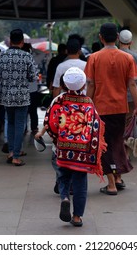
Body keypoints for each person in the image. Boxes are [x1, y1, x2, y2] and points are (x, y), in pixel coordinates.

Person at [43, 67, 107, 226]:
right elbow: (95, 125)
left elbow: (50, 123)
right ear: (83, 84)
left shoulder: (58, 100)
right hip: (82, 153)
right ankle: (77, 217)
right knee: (80, 182)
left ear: (64, 84)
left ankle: (65, 197)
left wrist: (57, 140)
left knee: (63, 177)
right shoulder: (88, 102)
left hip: (62, 150)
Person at [85, 22, 137, 195]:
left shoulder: (93, 58)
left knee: (104, 145)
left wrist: (87, 103)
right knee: (118, 142)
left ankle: (111, 184)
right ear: (117, 37)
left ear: (100, 38)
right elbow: (133, 84)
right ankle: (118, 177)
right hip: (121, 107)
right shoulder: (127, 58)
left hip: (101, 108)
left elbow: (91, 85)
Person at [0, 29, 36, 166]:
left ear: (10, 41)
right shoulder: (27, 56)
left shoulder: (2, 56)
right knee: (19, 125)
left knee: (10, 123)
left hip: (6, 96)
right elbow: (32, 77)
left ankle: (11, 151)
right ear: (22, 42)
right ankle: (16, 156)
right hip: (22, 96)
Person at [22, 42, 39, 134]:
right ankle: (34, 127)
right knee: (33, 110)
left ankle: (24, 128)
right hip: (32, 89)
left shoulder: (19, 59)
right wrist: (32, 48)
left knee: (23, 110)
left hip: (23, 89)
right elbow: (42, 53)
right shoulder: (34, 58)